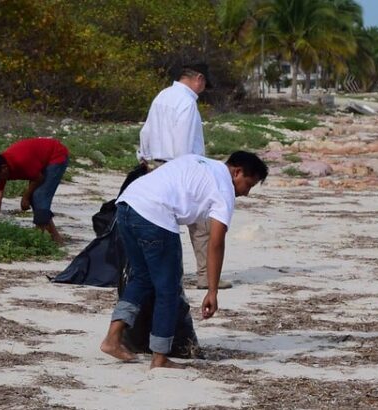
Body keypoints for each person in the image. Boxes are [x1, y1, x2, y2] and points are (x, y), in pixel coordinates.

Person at [100, 151, 268, 369]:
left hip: (125, 206)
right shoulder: (224, 189)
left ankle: (112, 339)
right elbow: (216, 243)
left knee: (141, 278)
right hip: (155, 216)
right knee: (168, 290)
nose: (246, 193)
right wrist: (213, 291)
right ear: (237, 172)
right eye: (249, 184)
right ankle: (159, 357)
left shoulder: (199, 161)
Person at [138, 61, 232, 290]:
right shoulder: (187, 102)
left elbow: (146, 130)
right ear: (198, 78)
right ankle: (206, 276)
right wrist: (189, 171)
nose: (203, 89)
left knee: (161, 222)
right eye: (204, 84)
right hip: (181, 166)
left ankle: (158, 274)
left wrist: (143, 156)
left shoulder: (162, 96)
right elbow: (184, 141)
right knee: (201, 226)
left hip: (158, 165)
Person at [0, 137, 69, 244]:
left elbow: (39, 178)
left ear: (4, 168)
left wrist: (25, 197)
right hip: (38, 161)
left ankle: (42, 239)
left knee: (39, 196)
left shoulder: (21, 161)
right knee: (35, 197)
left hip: (56, 155)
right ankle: (55, 238)